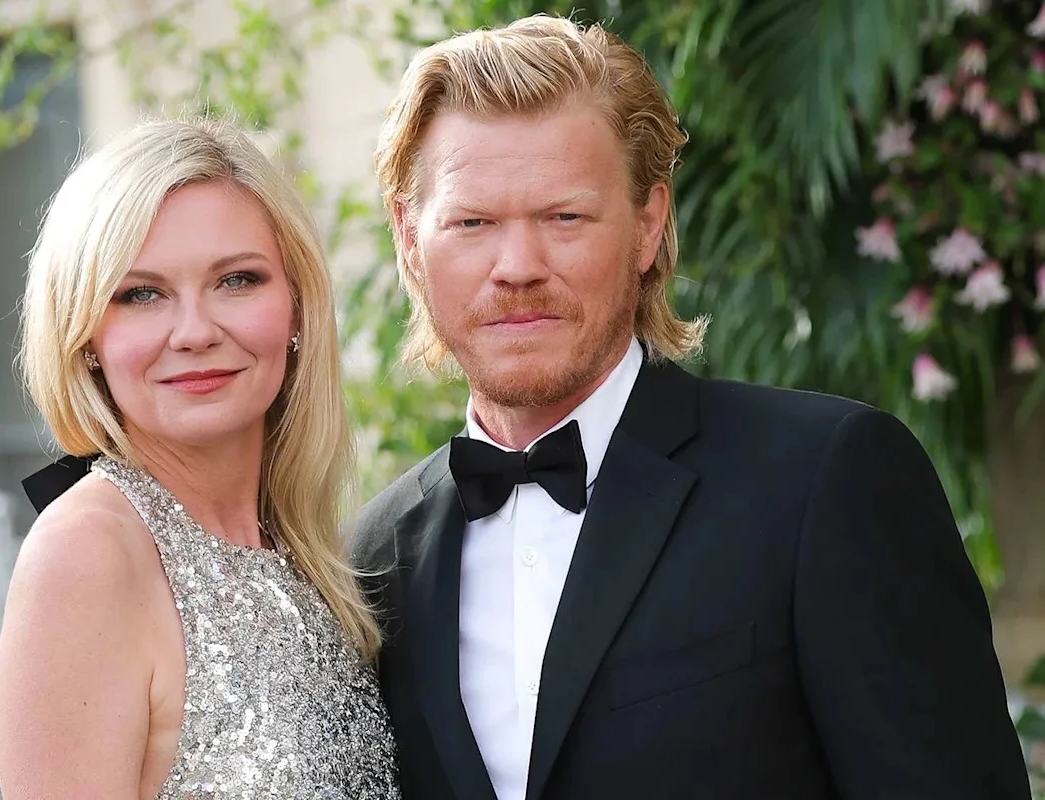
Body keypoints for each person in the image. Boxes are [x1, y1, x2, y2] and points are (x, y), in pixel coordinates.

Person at [352, 15, 1030, 800]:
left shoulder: (826, 480)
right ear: (410, 240)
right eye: (472, 223)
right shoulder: (372, 559)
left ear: (648, 224)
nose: (518, 266)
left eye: (564, 217)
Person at [0, 116, 400, 799]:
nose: (194, 331)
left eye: (237, 280)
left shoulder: (304, 551)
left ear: (297, 307)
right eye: (141, 294)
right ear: (85, 335)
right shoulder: (87, 554)